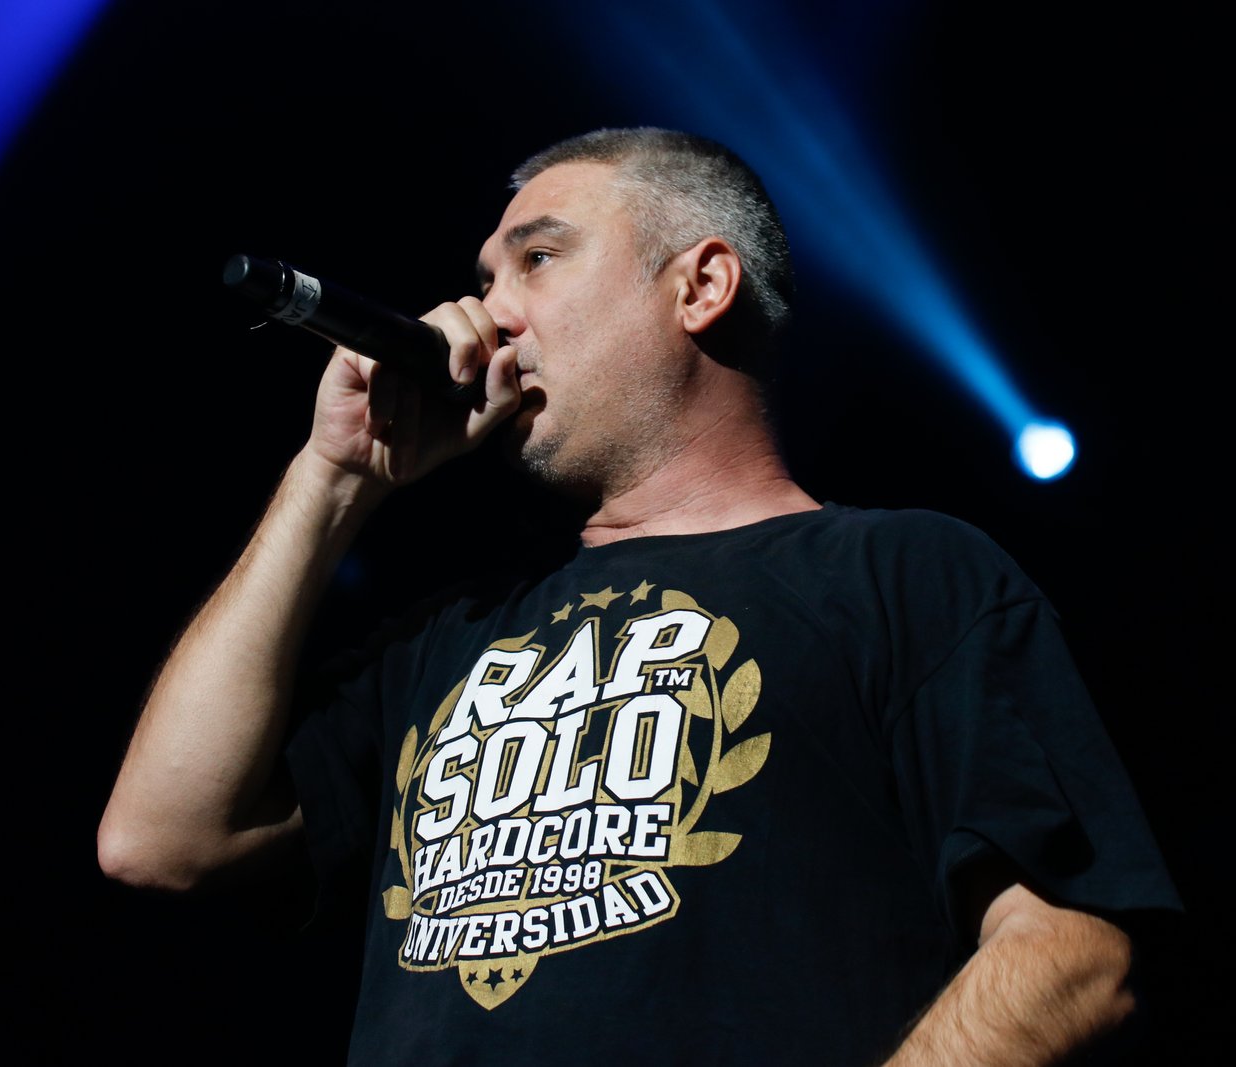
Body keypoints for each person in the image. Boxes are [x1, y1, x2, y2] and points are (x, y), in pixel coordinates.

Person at [99, 127, 1180, 1065]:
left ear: (700, 286)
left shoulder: (900, 573)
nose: (488, 313)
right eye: (486, 276)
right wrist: (331, 479)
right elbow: (160, 837)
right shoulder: (449, 636)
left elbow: (1072, 952)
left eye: (538, 258)